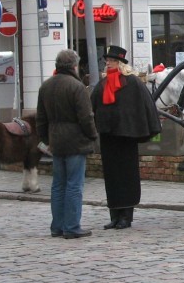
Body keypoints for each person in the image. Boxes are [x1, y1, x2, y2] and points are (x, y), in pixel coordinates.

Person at [90, 45, 162, 230]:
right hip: (108, 136)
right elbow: (93, 105)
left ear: (120, 63)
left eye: (112, 61)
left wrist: (146, 129)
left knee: (126, 176)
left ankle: (126, 216)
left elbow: (146, 105)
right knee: (111, 177)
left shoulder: (133, 82)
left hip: (126, 136)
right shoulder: (102, 84)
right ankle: (114, 214)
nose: (108, 63)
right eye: (107, 61)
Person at [36, 49, 99, 239]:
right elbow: (86, 117)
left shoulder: (45, 87)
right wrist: (93, 135)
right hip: (75, 142)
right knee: (74, 185)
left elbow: (40, 119)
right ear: (74, 66)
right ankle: (71, 226)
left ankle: (57, 226)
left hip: (56, 140)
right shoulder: (77, 87)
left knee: (58, 185)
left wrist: (47, 139)